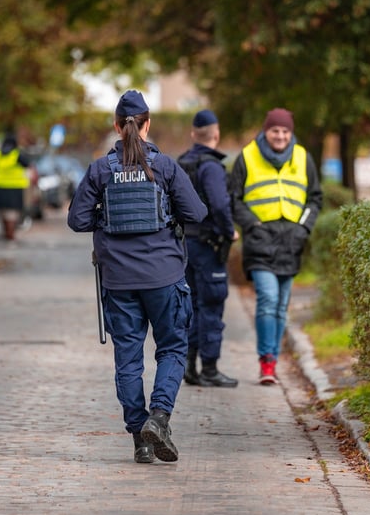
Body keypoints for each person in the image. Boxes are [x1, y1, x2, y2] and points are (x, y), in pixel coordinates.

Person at [66, 90, 207, 464]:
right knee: (173, 349)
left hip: (119, 282)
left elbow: (77, 220)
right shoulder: (165, 167)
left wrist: (108, 219)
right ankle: (159, 418)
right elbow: (197, 213)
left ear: (116, 126)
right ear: (148, 125)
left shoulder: (100, 169)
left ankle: (139, 440)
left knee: (128, 360)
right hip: (164, 277)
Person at [229, 108, 323, 385]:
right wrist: (253, 225)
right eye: (275, 131)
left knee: (281, 306)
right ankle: (266, 361)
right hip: (260, 243)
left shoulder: (304, 157)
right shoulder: (247, 157)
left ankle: (274, 360)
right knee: (268, 299)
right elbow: (233, 199)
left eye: (285, 131)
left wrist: (303, 227)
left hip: (291, 243)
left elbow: (315, 199)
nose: (280, 136)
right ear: (265, 131)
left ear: (290, 133)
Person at [177, 110, 239, 388]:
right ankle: (210, 369)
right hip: (208, 245)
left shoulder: (181, 162)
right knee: (211, 305)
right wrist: (230, 232)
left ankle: (189, 366)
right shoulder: (211, 166)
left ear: (193, 134)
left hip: (183, 246)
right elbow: (220, 205)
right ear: (216, 134)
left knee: (188, 306)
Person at [0, 133, 30, 240]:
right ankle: (10, 235)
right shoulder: (17, 155)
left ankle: (7, 233)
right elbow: (27, 164)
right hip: (15, 189)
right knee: (12, 214)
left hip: (0, 188)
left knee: (3, 213)